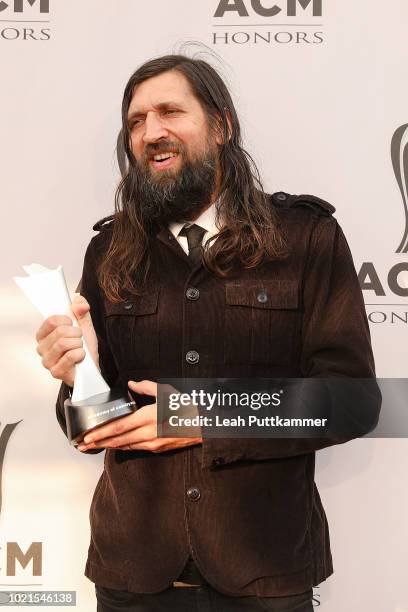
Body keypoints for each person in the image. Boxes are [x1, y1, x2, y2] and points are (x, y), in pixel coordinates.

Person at [35, 55, 379, 611]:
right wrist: (83, 379)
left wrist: (201, 416)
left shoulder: (306, 238)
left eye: (170, 111)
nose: (151, 132)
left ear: (221, 126)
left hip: (265, 572)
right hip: (131, 577)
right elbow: (91, 428)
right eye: (136, 121)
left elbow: (353, 401)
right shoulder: (108, 251)